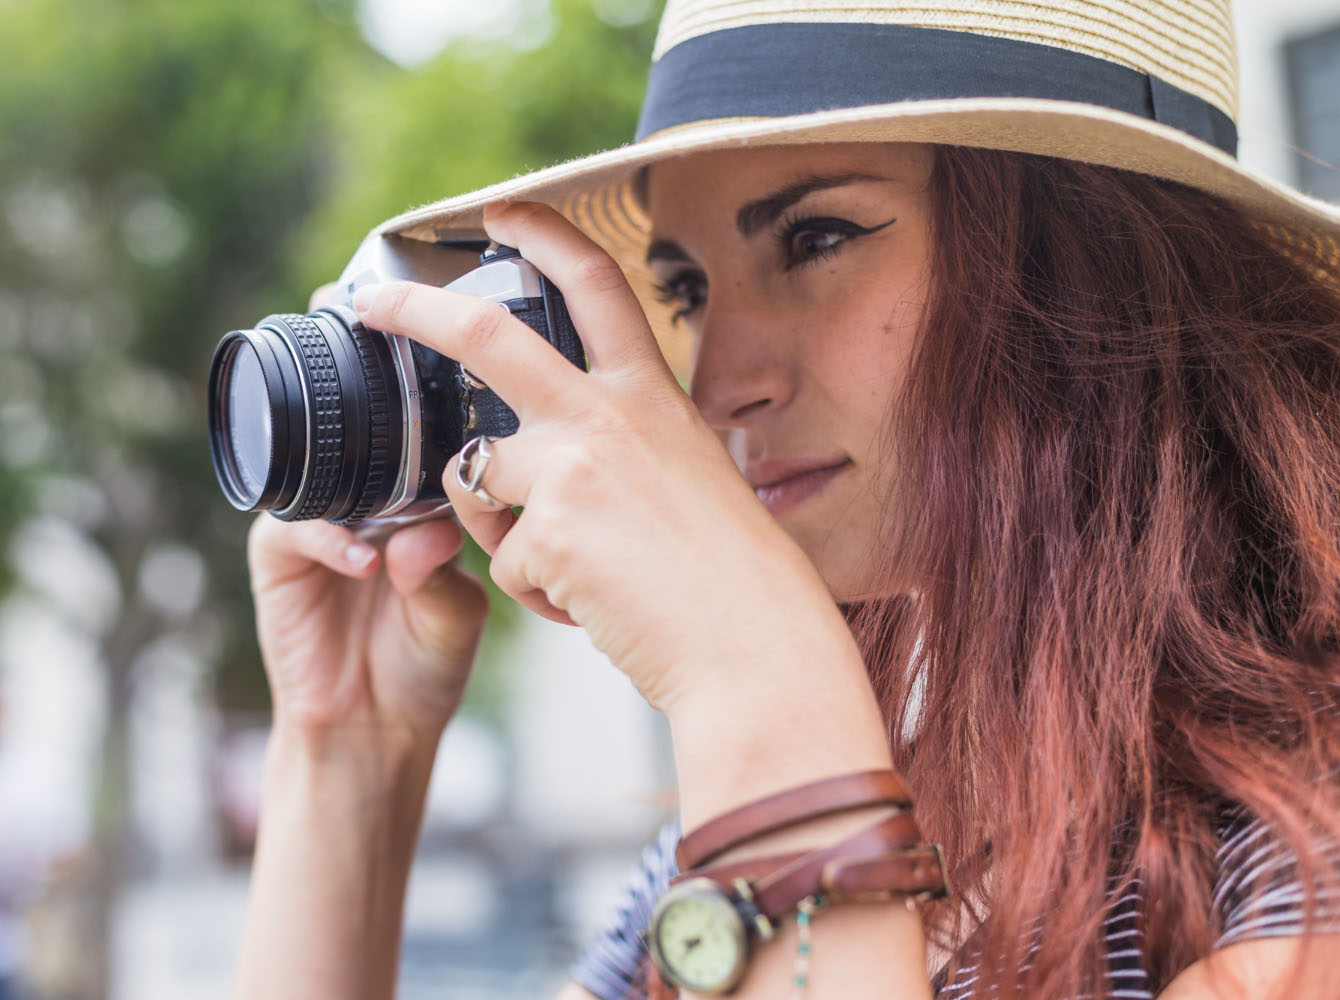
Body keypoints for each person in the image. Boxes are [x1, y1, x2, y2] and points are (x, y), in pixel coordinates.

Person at [231, 0, 1340, 997]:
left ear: (1096, 265)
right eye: (685, 289)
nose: (715, 385)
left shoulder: (1301, 849)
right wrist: (346, 754)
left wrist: (747, 671)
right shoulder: (750, 841)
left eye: (816, 238)